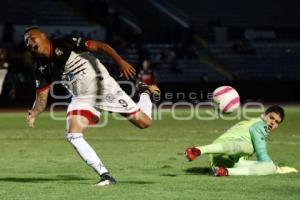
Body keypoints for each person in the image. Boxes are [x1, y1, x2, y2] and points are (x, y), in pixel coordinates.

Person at [24, 27, 160, 186]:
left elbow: (101, 47)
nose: (29, 42)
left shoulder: (64, 43)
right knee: (73, 135)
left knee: (144, 123)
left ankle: (144, 92)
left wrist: (120, 61)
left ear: (43, 35)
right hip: (82, 98)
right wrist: (34, 112)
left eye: (32, 37)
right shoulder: (42, 68)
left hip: (104, 87)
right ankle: (105, 175)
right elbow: (41, 98)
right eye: (26, 41)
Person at [186, 106, 297, 176]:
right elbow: (262, 155)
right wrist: (270, 166)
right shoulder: (260, 126)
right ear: (264, 115)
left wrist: (277, 169)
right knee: (259, 157)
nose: (273, 123)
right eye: (271, 117)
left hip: (219, 159)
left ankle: (218, 167)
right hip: (224, 153)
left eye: (277, 122)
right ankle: (224, 170)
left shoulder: (252, 122)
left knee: (266, 166)